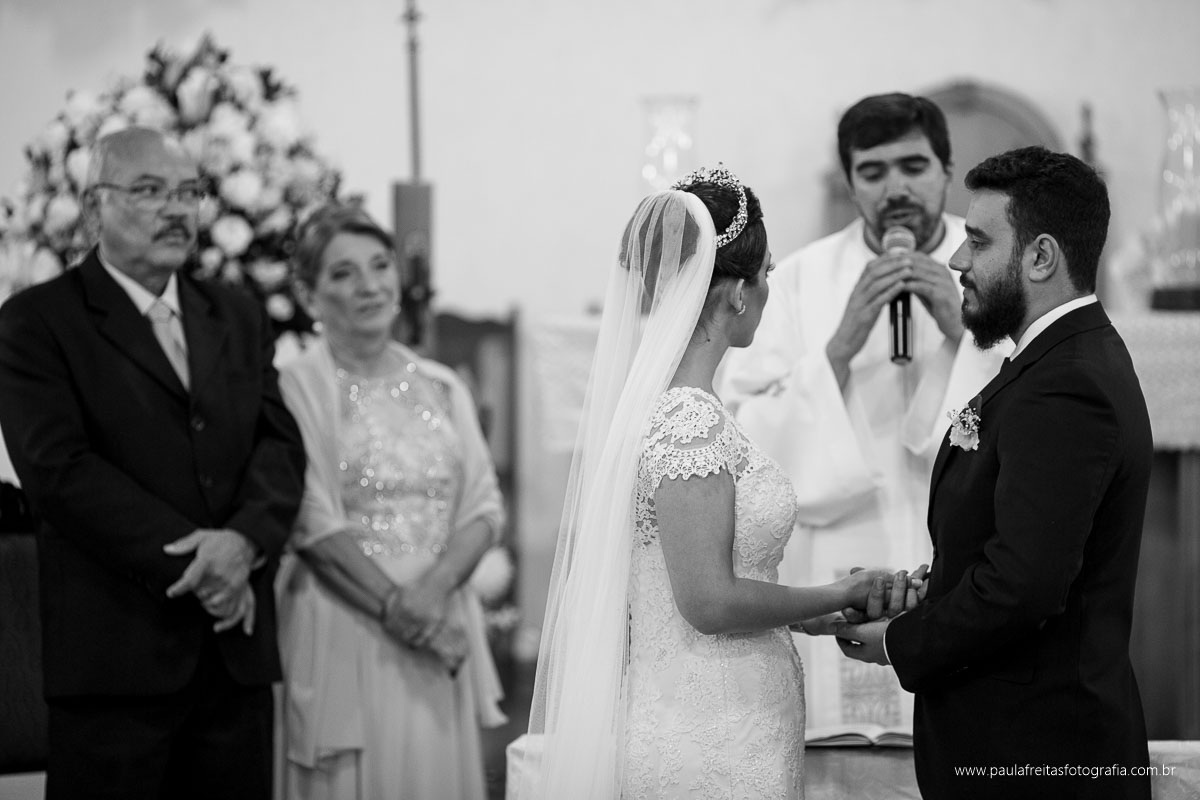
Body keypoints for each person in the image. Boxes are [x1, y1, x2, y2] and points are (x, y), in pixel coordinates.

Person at [514, 165, 902, 800]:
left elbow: (684, 591)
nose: (771, 288)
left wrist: (821, 610)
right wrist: (834, 588)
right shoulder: (688, 418)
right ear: (737, 292)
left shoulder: (682, 407)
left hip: (727, 715)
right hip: (712, 732)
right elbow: (707, 602)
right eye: (767, 273)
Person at [837, 147, 1153, 799]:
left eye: (977, 242)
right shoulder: (1057, 360)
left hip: (1041, 758)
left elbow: (1024, 585)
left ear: (1040, 257)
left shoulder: (1066, 384)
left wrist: (898, 642)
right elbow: (1024, 546)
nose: (955, 260)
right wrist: (937, 588)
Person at [0, 127, 306, 799]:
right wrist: (202, 565)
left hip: (234, 657)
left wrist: (245, 543)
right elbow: (58, 471)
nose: (177, 209)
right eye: (148, 191)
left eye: (188, 192)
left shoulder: (236, 312)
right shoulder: (36, 323)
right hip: (117, 660)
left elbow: (279, 446)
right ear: (92, 210)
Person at [718, 92, 1009, 732]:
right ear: (849, 183)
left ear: (944, 169)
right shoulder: (797, 279)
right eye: (872, 172)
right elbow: (743, 433)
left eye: (912, 165)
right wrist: (841, 346)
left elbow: (1039, 403)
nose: (894, 188)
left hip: (964, 549)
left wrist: (966, 336)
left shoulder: (995, 263)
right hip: (842, 543)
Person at [274, 204, 507, 799]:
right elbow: (310, 518)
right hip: (343, 620)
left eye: (380, 266)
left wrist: (430, 597)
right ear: (309, 293)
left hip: (440, 615)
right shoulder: (295, 387)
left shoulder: (443, 384)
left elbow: (483, 507)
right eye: (344, 273)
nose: (371, 284)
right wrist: (402, 613)